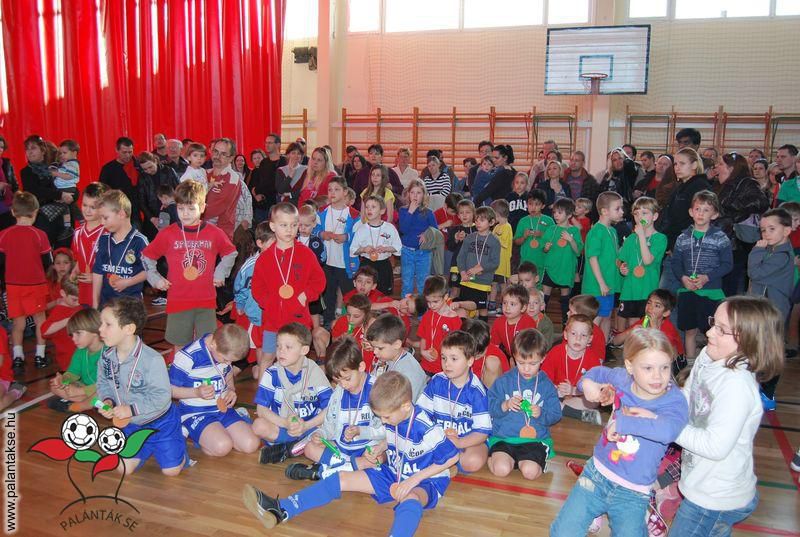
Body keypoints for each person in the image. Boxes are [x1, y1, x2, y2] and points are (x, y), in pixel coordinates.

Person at [243, 370, 459, 536]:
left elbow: (452, 457)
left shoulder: (425, 425)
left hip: (426, 481)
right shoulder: (396, 416)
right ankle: (282, 509)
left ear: (405, 406)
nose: (383, 422)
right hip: (394, 472)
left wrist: (413, 480)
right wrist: (382, 447)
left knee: (411, 499)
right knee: (341, 478)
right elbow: (397, 436)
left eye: (386, 417)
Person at [550, 328, 689, 536]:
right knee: (563, 532)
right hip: (596, 475)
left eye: (665, 367)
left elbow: (668, 431)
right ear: (630, 366)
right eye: (648, 368)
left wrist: (625, 423)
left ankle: (647, 517)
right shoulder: (623, 378)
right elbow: (596, 372)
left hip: (634, 491)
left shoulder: (674, 400)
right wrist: (587, 384)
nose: (658, 376)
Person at [670, 297, 783, 536]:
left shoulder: (736, 385)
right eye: (714, 323)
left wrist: (665, 424)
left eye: (721, 330)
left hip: (714, 497)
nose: (709, 332)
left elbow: (715, 446)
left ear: (749, 340)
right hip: (702, 481)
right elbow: (688, 395)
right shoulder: (708, 356)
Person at [142, 180, 238, 355]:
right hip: (178, 300)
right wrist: (155, 279)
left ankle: (204, 371)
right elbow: (147, 257)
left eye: (191, 209)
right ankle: (180, 371)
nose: (185, 214)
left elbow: (231, 253)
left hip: (206, 299)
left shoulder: (214, 232)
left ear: (202, 208)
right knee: (180, 345)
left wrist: (220, 273)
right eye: (181, 208)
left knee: (208, 345)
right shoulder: (168, 233)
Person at [96, 296, 188, 476]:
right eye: (101, 323)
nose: (100, 329)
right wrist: (107, 401)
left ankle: (176, 445)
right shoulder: (106, 356)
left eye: (107, 324)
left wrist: (131, 409)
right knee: (122, 469)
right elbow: (103, 383)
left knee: (171, 472)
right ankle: (147, 446)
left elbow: (162, 397)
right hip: (132, 424)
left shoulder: (152, 359)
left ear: (129, 329)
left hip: (161, 423)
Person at [284, 336, 383, 480]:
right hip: (342, 450)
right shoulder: (338, 393)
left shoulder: (377, 390)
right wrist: (322, 434)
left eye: (347, 379)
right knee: (310, 448)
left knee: (380, 458)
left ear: (361, 367)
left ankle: (327, 470)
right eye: (337, 380)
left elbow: (387, 431)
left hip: (368, 450)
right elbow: (330, 426)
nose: (343, 385)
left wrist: (361, 431)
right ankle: (349, 466)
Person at [251, 202, 326, 377]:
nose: (289, 230)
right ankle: (264, 391)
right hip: (272, 320)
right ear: (273, 226)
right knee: (267, 358)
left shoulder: (306, 254)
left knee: (298, 360)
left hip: (298, 320)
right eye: (283, 225)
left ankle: (298, 390)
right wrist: (268, 302)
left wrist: (306, 295)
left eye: (293, 225)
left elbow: (319, 280)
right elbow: (257, 287)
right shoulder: (265, 258)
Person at [170, 324, 260, 457]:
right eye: (226, 359)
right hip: (195, 412)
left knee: (251, 444)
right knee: (222, 446)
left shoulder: (222, 350)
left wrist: (231, 389)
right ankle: (190, 430)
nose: (228, 363)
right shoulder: (188, 356)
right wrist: (196, 392)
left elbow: (228, 373)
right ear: (213, 345)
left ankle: (215, 432)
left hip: (222, 409)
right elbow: (170, 390)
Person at [487, 329, 561, 481]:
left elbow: (555, 415)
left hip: (534, 441)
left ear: (543, 358)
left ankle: (529, 462)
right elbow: (489, 406)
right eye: (521, 363)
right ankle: (496, 459)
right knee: (501, 469)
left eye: (533, 363)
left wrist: (541, 413)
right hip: (504, 438)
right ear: (514, 357)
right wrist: (505, 405)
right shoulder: (504, 381)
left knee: (530, 472)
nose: (526, 369)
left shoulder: (547, 385)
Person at [253, 322, 332, 464]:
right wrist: (285, 423)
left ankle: (288, 448)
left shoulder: (314, 371)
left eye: (288, 347)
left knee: (329, 428)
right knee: (258, 426)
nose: (281, 351)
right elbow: (261, 410)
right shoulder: (272, 373)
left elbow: (330, 407)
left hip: (311, 427)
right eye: (278, 346)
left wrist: (306, 426)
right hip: (285, 426)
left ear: (304, 350)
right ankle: (298, 446)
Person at [418, 330, 491, 473]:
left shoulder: (477, 391)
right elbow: (421, 415)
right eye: (444, 358)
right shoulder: (437, 381)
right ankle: (446, 463)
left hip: (468, 440)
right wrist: (434, 437)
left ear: (470, 361)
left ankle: (444, 463)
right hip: (439, 438)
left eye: (454, 359)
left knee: (473, 461)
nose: (447, 364)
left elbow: (482, 433)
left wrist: (459, 442)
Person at [671, 190, 732, 359]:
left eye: (706, 210)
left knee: (712, 331)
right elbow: (675, 263)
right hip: (688, 290)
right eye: (697, 209)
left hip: (712, 292)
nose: (701, 213)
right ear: (691, 212)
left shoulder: (720, 237)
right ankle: (690, 365)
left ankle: (712, 364)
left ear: (715, 214)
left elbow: (727, 264)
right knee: (689, 330)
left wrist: (707, 277)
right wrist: (683, 278)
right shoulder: (682, 237)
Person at [748, 208, 794, 409]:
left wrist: (756, 250)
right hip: (762, 311)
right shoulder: (771, 250)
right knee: (757, 351)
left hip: (773, 312)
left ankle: (767, 394)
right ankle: (757, 389)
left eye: (772, 229)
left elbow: (754, 273)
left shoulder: (782, 255)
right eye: (763, 230)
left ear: (787, 230)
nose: (766, 234)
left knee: (770, 353)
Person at [0, 192, 52, 369]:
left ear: (13, 212)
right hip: (36, 284)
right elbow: (48, 262)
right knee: (40, 320)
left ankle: (18, 357)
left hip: (13, 285)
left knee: (18, 322)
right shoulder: (40, 235)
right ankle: (40, 356)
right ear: (35, 211)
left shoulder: (4, 234)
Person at [714, 152, 770, 296]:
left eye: (720, 164)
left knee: (729, 285)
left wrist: (731, 205)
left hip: (735, 242)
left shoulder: (746, 182)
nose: (716, 167)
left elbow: (761, 202)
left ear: (731, 168)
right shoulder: (721, 184)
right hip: (722, 239)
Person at [316, 177, 361, 328]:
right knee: (328, 294)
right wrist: (322, 234)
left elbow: (359, 235)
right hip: (327, 262)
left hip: (345, 263)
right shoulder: (322, 212)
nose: (332, 193)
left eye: (336, 189)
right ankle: (328, 324)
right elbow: (314, 229)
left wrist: (346, 237)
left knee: (349, 295)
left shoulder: (354, 215)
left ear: (345, 192)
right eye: (330, 190)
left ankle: (351, 324)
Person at [92, 190, 149, 308]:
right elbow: (98, 272)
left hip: (131, 306)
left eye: (105, 218)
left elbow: (149, 271)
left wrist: (128, 282)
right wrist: (95, 304)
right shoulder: (103, 240)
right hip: (106, 305)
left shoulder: (139, 241)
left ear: (121, 214)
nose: (102, 222)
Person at [542, 314, 602, 424]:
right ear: (565, 335)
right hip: (556, 395)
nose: (578, 339)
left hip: (578, 398)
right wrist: (556, 389)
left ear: (590, 339)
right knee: (542, 398)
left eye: (583, 335)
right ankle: (580, 415)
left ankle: (561, 408)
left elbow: (595, 388)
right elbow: (544, 380)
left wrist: (573, 390)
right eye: (573, 333)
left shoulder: (593, 358)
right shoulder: (555, 352)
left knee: (594, 400)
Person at [617, 196, 667, 328]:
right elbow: (621, 260)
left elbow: (647, 260)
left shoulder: (660, 238)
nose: (640, 217)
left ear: (655, 216)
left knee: (646, 324)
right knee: (633, 324)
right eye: (636, 213)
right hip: (630, 289)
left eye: (644, 213)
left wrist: (641, 236)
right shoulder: (630, 239)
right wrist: (623, 267)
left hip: (648, 291)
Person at [582, 191, 624, 339]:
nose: (622, 212)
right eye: (617, 208)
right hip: (597, 286)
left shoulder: (612, 231)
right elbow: (592, 258)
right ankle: (590, 347)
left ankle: (603, 347)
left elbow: (613, 256)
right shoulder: (596, 232)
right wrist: (601, 283)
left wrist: (621, 266)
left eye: (621, 208)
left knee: (606, 317)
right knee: (596, 319)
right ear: (604, 211)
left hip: (609, 284)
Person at [47, 308, 102, 412]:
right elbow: (73, 373)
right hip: (86, 389)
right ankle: (92, 404)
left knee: (101, 395)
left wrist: (80, 391)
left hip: (104, 391)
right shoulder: (81, 351)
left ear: (95, 331)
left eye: (78, 333)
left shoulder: (109, 352)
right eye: (72, 335)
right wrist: (63, 380)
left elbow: (108, 385)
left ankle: (84, 404)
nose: (73, 338)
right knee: (54, 388)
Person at [541, 197, 583, 325]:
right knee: (544, 298)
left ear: (569, 215)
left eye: (559, 212)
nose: (556, 215)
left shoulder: (574, 231)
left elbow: (578, 251)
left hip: (566, 269)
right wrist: (546, 248)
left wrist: (571, 240)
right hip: (550, 268)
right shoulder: (551, 229)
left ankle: (566, 324)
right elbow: (544, 249)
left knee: (565, 298)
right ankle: (539, 321)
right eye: (554, 212)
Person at [367, 313, 427, 401]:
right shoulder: (386, 357)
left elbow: (404, 405)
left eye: (380, 348)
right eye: (373, 347)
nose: (375, 352)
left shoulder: (409, 373)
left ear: (397, 344)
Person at [350, 195, 401, 296]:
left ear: (382, 211)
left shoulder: (389, 228)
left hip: (384, 265)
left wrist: (386, 248)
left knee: (384, 294)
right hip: (366, 264)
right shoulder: (361, 229)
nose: (369, 209)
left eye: (373, 207)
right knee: (365, 295)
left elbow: (398, 248)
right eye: (367, 207)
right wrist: (364, 249)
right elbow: (353, 250)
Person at [457, 206, 501, 322]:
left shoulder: (494, 241)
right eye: (476, 220)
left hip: (483, 281)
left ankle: (483, 330)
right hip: (467, 279)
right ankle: (464, 329)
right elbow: (461, 257)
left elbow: (495, 262)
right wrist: (462, 272)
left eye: (482, 220)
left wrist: (481, 268)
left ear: (491, 222)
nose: (478, 223)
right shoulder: (470, 238)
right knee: (465, 306)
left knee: (482, 308)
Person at [204, 138, 252, 239]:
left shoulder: (232, 178)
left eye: (223, 154)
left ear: (231, 158)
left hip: (220, 234)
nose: (217, 156)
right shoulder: (204, 174)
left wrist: (192, 212)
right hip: (202, 231)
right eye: (216, 151)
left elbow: (218, 206)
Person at [70, 182, 108, 307]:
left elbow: (115, 265)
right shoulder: (77, 233)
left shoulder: (108, 233)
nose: (87, 210)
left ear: (104, 207)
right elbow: (79, 258)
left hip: (104, 294)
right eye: (84, 205)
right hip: (85, 294)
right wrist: (75, 270)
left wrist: (97, 277)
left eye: (93, 207)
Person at [398, 179, 438, 297]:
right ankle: (405, 306)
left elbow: (435, 231)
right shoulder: (403, 210)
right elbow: (403, 229)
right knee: (407, 282)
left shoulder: (428, 212)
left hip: (424, 253)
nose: (415, 196)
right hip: (407, 251)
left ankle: (422, 308)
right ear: (408, 194)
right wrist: (410, 212)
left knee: (423, 283)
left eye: (418, 193)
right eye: (412, 192)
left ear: (424, 195)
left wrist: (427, 234)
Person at [417, 276, 462, 376]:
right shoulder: (428, 315)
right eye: (428, 302)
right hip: (425, 364)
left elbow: (456, 347)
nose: (431, 305)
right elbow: (423, 336)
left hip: (443, 368)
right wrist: (422, 351)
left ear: (445, 297)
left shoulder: (454, 320)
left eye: (435, 302)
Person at [99, 137, 141, 229]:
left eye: (130, 152)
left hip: (135, 212)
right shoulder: (108, 169)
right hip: (117, 211)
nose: (128, 155)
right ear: (117, 150)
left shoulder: (137, 165)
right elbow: (102, 192)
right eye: (124, 152)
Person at [41, 276, 82, 371]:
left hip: (84, 356)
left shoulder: (80, 306)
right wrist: (68, 320)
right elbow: (44, 331)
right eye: (74, 300)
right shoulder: (59, 311)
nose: (78, 303)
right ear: (63, 293)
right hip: (69, 360)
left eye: (81, 299)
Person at [136, 151, 180, 240]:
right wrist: (152, 218)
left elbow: (180, 191)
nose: (148, 171)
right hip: (152, 215)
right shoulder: (142, 177)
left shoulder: (169, 171)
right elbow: (141, 201)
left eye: (150, 167)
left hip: (172, 213)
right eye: (145, 169)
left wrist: (172, 202)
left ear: (155, 161)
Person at [514, 189, 552, 278]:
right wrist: (524, 237)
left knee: (539, 285)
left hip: (543, 262)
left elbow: (554, 239)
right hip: (525, 262)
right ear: (526, 204)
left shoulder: (549, 221)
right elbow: (516, 242)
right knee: (525, 284)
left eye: (537, 204)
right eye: (530, 204)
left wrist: (542, 235)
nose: (533, 207)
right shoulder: (523, 221)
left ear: (543, 206)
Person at [250, 134, 287, 224]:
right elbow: (260, 181)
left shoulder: (284, 161)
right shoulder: (264, 162)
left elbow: (280, 183)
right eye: (266, 142)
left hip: (277, 203)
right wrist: (256, 193)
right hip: (262, 205)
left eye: (270, 143)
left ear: (278, 144)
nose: (267, 145)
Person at [50, 139, 81, 231]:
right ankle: (77, 219)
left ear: (74, 153)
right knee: (68, 205)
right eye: (60, 153)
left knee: (65, 205)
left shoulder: (72, 164)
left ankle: (69, 224)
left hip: (66, 188)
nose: (62, 155)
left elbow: (69, 176)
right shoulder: (66, 163)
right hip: (64, 188)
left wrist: (56, 174)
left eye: (64, 153)